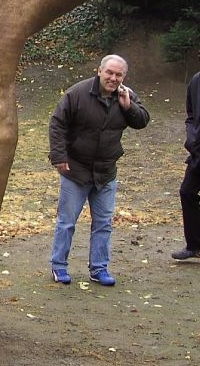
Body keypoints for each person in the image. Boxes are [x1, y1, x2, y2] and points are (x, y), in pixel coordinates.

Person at [49, 54, 150, 286]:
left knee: (103, 224)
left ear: (123, 77)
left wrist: (128, 106)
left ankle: (99, 268)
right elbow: (57, 124)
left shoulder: (126, 95)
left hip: (106, 172)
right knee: (67, 222)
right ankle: (59, 266)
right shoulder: (77, 93)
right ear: (99, 71)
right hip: (75, 170)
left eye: (118, 75)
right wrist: (59, 156)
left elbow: (142, 120)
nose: (113, 78)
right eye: (109, 73)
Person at [172, 67, 200, 261]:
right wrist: (192, 138)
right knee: (187, 192)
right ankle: (194, 245)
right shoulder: (196, 80)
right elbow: (190, 115)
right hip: (197, 151)